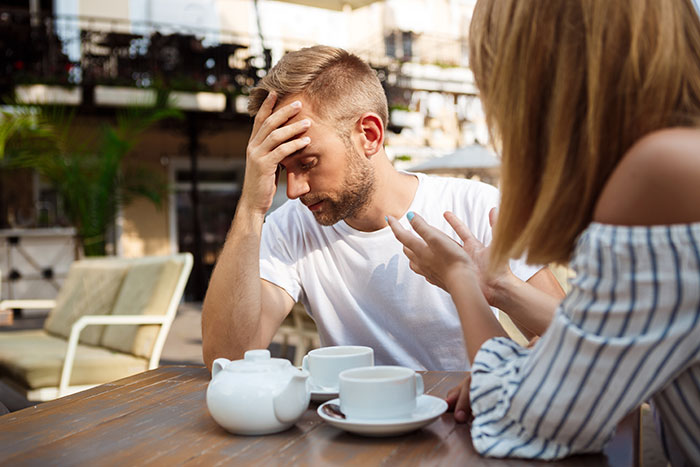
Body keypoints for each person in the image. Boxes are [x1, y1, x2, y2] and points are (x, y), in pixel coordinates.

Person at [388, 0, 700, 463]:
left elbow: (525, 416)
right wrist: (499, 290)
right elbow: (598, 342)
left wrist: (459, 280)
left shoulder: (661, 175)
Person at [201, 45, 564, 373]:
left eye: (308, 163)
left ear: (370, 135)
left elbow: (572, 340)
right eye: (283, 170)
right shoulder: (290, 228)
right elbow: (228, 359)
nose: (294, 190)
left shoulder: (474, 207)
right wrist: (251, 207)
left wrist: (506, 370)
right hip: (352, 436)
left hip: (465, 430)